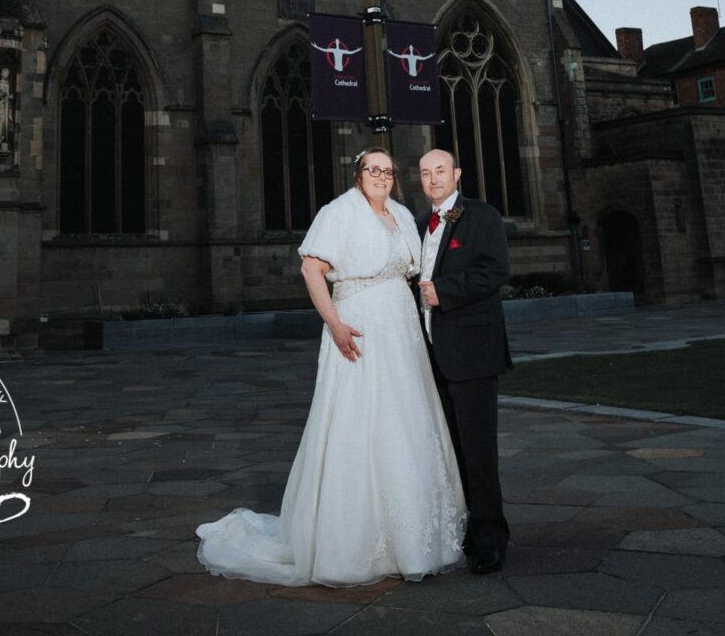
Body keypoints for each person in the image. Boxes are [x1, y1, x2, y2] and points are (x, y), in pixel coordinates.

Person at [197, 147, 466, 586]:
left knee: (407, 422)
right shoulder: (338, 211)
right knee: (360, 423)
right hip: (359, 327)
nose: (380, 176)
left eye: (387, 171)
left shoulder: (399, 212)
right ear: (358, 174)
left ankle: (415, 537)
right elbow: (310, 269)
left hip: (401, 332)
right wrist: (335, 324)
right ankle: (354, 541)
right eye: (372, 170)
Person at [417, 148, 511, 575]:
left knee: (477, 452)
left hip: (472, 353)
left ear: (456, 174)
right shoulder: (418, 225)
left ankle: (491, 538)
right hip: (430, 356)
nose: (433, 179)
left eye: (440, 170)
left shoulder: (482, 216)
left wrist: (443, 291)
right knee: (448, 452)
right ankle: (464, 531)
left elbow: (494, 271)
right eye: (425, 173)